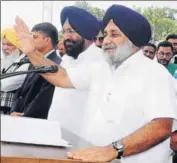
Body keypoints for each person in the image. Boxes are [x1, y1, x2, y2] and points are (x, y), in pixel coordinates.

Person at [14, 4, 177, 163]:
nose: (106, 40)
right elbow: (62, 77)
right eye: (105, 34)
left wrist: (112, 150)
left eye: (114, 34)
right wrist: (31, 52)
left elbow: (161, 127)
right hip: (89, 157)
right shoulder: (100, 69)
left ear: (132, 40)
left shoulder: (155, 74)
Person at [48, 6, 103, 136]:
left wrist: (32, 52)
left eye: (71, 31)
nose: (66, 36)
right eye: (64, 31)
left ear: (87, 33)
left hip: (82, 139)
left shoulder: (99, 60)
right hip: (56, 133)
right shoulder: (67, 59)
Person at [10, 22, 61, 119]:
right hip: (21, 118)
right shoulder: (34, 61)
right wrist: (14, 110)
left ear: (46, 40)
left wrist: (26, 115)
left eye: (34, 37)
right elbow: (21, 91)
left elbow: (44, 98)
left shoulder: (56, 64)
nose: (30, 40)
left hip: (36, 121)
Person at [0, 28, 29, 114]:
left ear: (19, 46)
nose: (4, 48)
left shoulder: (26, 63)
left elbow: (6, 85)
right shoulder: (5, 62)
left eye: (9, 44)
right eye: (3, 44)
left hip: (11, 112)